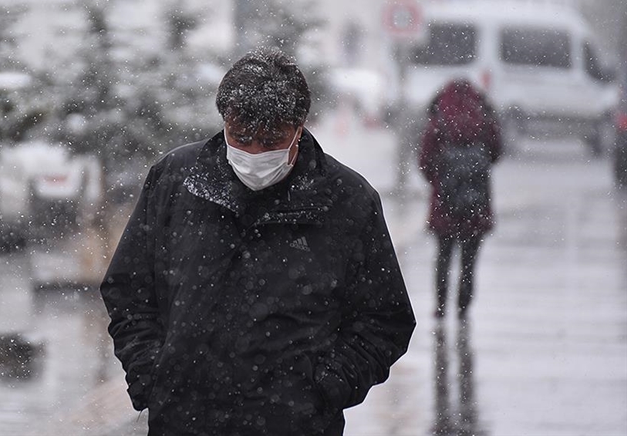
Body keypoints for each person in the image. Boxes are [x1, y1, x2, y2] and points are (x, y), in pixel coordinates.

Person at [101, 47, 416, 435]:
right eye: (242, 137)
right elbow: (129, 290)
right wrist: (151, 373)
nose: (253, 153)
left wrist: (326, 387)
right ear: (224, 123)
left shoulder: (347, 202)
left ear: (299, 128)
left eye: (270, 141)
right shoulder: (176, 180)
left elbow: (384, 320)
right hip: (183, 420)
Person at [418, 79, 502, 319]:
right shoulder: (484, 121)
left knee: (444, 257)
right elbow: (496, 153)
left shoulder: (438, 122)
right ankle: (463, 308)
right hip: (476, 204)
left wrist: (441, 179)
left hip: (444, 204)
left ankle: (441, 306)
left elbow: (425, 162)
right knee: (469, 261)